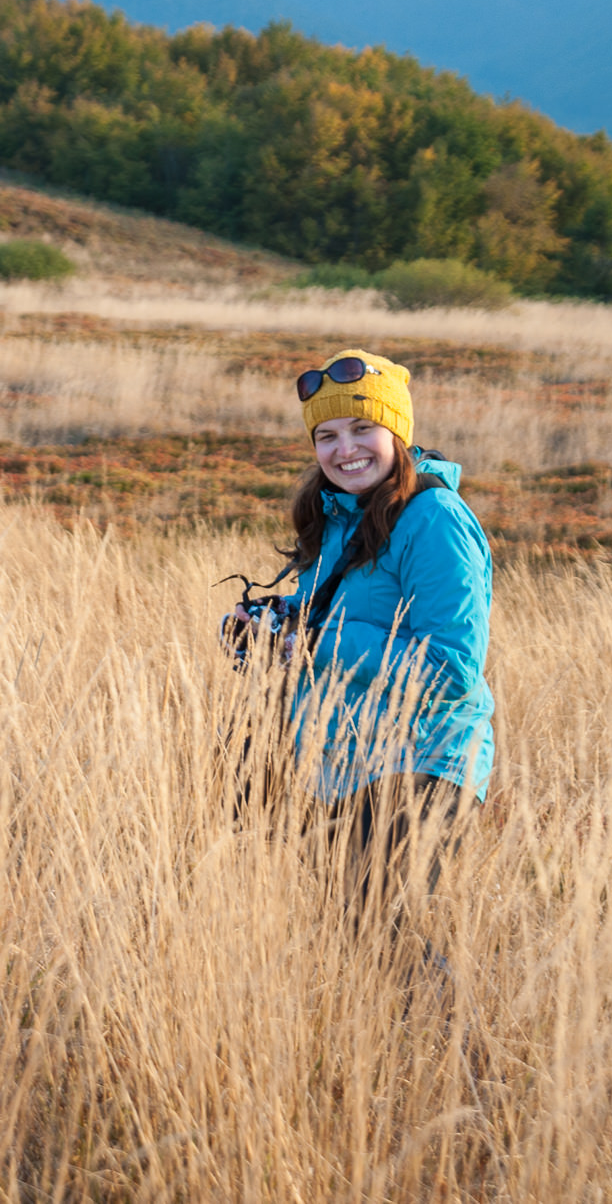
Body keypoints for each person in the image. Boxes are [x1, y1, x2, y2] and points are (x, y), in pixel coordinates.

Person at [226, 348, 494, 929]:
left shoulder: (435, 518)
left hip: (424, 759)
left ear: (396, 431)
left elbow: (451, 668)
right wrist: (275, 621)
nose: (344, 450)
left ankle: (442, 1024)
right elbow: (346, 609)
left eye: (362, 429)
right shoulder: (338, 514)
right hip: (348, 757)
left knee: (378, 935)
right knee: (342, 936)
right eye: (326, 436)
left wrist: (316, 644)